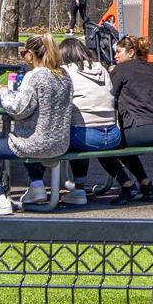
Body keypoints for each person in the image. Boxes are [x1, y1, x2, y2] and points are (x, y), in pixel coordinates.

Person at [0, 35, 72, 215]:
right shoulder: (64, 75)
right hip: (59, 143)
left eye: (24, 53)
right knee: (25, 137)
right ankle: (36, 186)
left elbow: (18, 109)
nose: (23, 56)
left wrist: (4, 91)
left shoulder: (35, 76)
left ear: (31, 55)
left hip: (35, 144)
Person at [107, 35, 153, 204]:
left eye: (119, 52)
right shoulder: (150, 68)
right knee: (122, 144)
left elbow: (108, 95)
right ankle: (145, 184)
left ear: (130, 52)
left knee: (104, 143)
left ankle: (127, 186)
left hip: (141, 129)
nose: (115, 56)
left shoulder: (121, 69)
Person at [58, 37, 122, 204]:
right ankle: (79, 188)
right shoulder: (101, 68)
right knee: (83, 133)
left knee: (62, 138)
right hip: (113, 134)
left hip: (85, 136)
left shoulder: (65, 71)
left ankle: (75, 189)